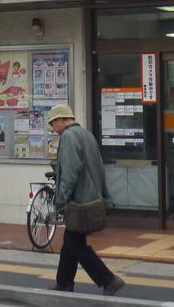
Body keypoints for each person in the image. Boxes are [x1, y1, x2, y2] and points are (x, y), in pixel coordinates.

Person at [47, 103, 124, 296]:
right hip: (90, 197)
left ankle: (108, 279)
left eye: (52, 123)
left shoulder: (69, 137)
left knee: (76, 244)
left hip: (78, 201)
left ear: (60, 120)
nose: (52, 129)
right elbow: (99, 167)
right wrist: (104, 195)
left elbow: (70, 173)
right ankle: (64, 282)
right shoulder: (86, 135)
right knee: (70, 241)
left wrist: (61, 199)